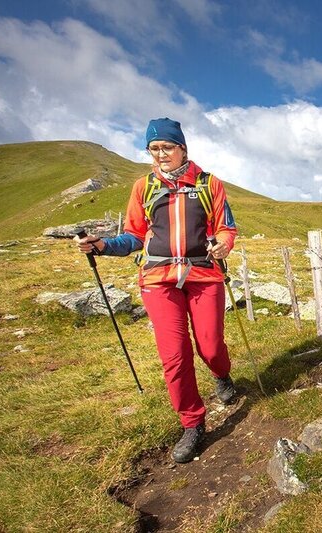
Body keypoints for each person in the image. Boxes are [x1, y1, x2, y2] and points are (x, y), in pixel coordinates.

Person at [75, 118, 239, 463]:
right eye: (154, 149)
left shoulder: (209, 184)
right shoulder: (143, 187)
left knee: (210, 346)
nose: (161, 154)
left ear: (182, 149)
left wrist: (223, 245)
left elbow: (226, 227)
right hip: (157, 279)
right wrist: (103, 245)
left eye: (167, 147)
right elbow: (134, 236)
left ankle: (221, 374)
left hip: (203, 274)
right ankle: (192, 423)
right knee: (174, 355)